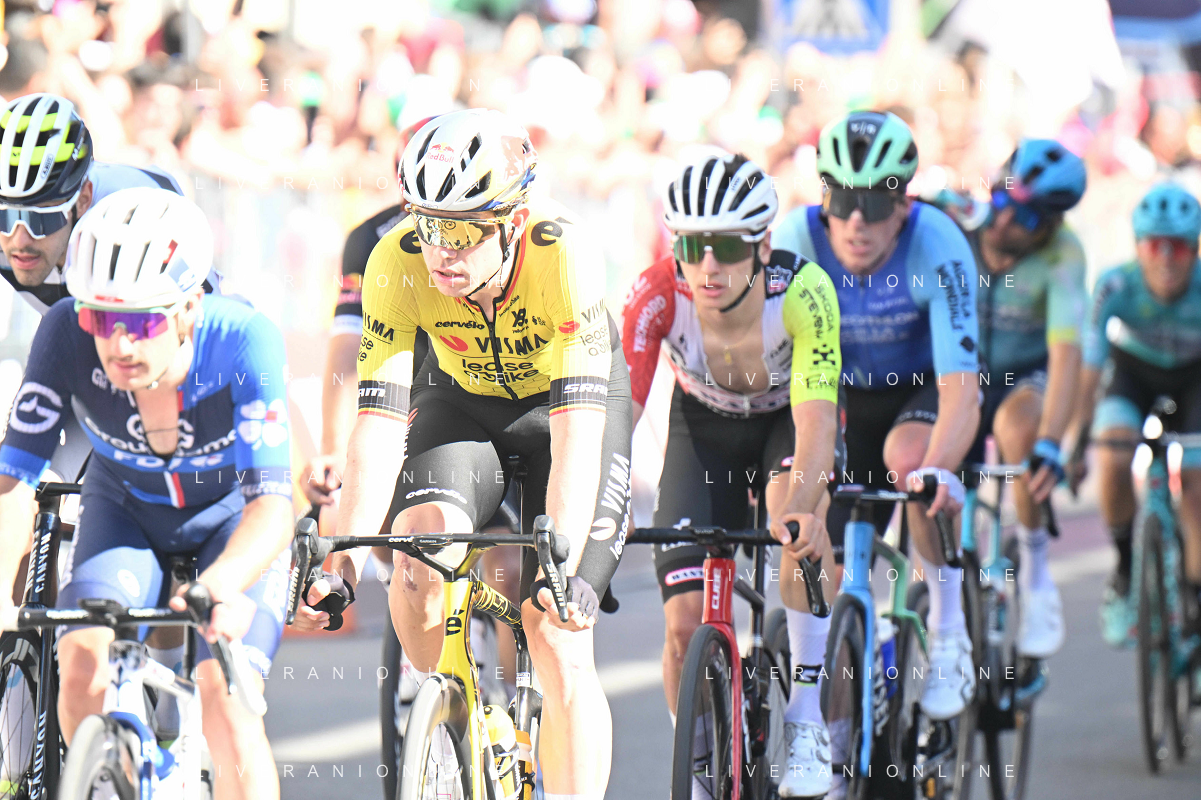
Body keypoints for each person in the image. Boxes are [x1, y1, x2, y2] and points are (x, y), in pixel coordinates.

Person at [300, 109, 633, 800]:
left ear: (512, 221)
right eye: (427, 225)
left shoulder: (563, 256)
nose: (440, 251)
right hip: (464, 403)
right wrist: (343, 557)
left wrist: (564, 558)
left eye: (460, 231)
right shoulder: (395, 261)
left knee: (556, 630)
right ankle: (454, 718)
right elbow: (378, 427)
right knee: (416, 563)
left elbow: (575, 435)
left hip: (566, 412)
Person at [0, 188, 292, 800]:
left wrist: (219, 586)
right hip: (125, 514)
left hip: (231, 527)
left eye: (140, 322)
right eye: (100, 319)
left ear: (189, 308)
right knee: (81, 669)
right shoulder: (64, 331)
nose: (120, 345)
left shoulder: (244, 340)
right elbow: (12, 478)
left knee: (227, 707)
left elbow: (271, 507)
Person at [623, 151, 841, 797]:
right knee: (682, 623)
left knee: (793, 528)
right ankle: (695, 772)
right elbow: (616, 416)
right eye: (692, 247)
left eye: (726, 248)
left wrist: (803, 506)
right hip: (703, 428)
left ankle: (806, 716)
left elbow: (816, 424)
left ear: (762, 246)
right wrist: (598, 504)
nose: (708, 267)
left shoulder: (803, 292)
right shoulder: (656, 292)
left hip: (784, 423)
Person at [299, 114, 521, 698]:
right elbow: (347, 352)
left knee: (509, 568)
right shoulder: (373, 242)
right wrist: (331, 447)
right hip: (408, 390)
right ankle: (424, 652)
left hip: (479, 391)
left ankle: (514, 709)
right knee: (393, 531)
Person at [773, 111, 982, 725]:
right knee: (822, 562)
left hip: (920, 392)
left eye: (874, 202)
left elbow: (962, 391)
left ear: (903, 203)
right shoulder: (797, 240)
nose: (857, 221)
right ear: (824, 201)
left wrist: (937, 472)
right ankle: (835, 741)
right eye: (842, 202)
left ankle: (950, 632)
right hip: (838, 402)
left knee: (912, 465)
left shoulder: (938, 242)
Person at [933, 139, 1088, 658]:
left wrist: (1051, 443)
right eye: (1001, 201)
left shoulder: (1063, 254)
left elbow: (1066, 355)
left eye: (1023, 218)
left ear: (1049, 226)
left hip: (1026, 377)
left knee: (1019, 430)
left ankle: (1038, 574)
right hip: (962, 376)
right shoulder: (957, 217)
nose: (1002, 223)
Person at [0, 93, 186, 482]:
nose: (19, 239)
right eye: (4, 217)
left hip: (155, 349)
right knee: (20, 485)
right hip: (74, 336)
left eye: (41, 219)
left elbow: (197, 334)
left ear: (82, 200)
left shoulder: (128, 216)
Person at [1070, 182, 1201, 647]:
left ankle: (1195, 598)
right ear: (1137, 247)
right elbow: (1090, 368)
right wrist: (1077, 440)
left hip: (1194, 382)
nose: (1166, 258)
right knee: (1112, 455)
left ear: (1195, 249)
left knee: (1197, 485)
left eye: (1178, 247)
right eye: (1154, 245)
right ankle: (1126, 569)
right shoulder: (1115, 284)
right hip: (1133, 375)